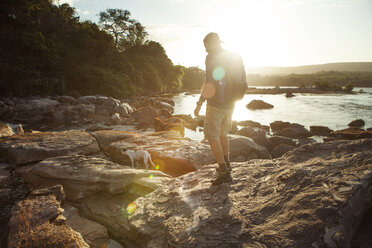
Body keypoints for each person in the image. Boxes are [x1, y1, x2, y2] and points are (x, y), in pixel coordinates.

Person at [194, 32, 246, 185]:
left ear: (212, 44)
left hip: (216, 103)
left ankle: (223, 172)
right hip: (231, 104)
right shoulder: (232, 56)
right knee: (223, 134)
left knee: (212, 136)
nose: (205, 50)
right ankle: (227, 164)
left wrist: (200, 102)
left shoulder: (212, 57)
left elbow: (209, 80)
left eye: (206, 46)